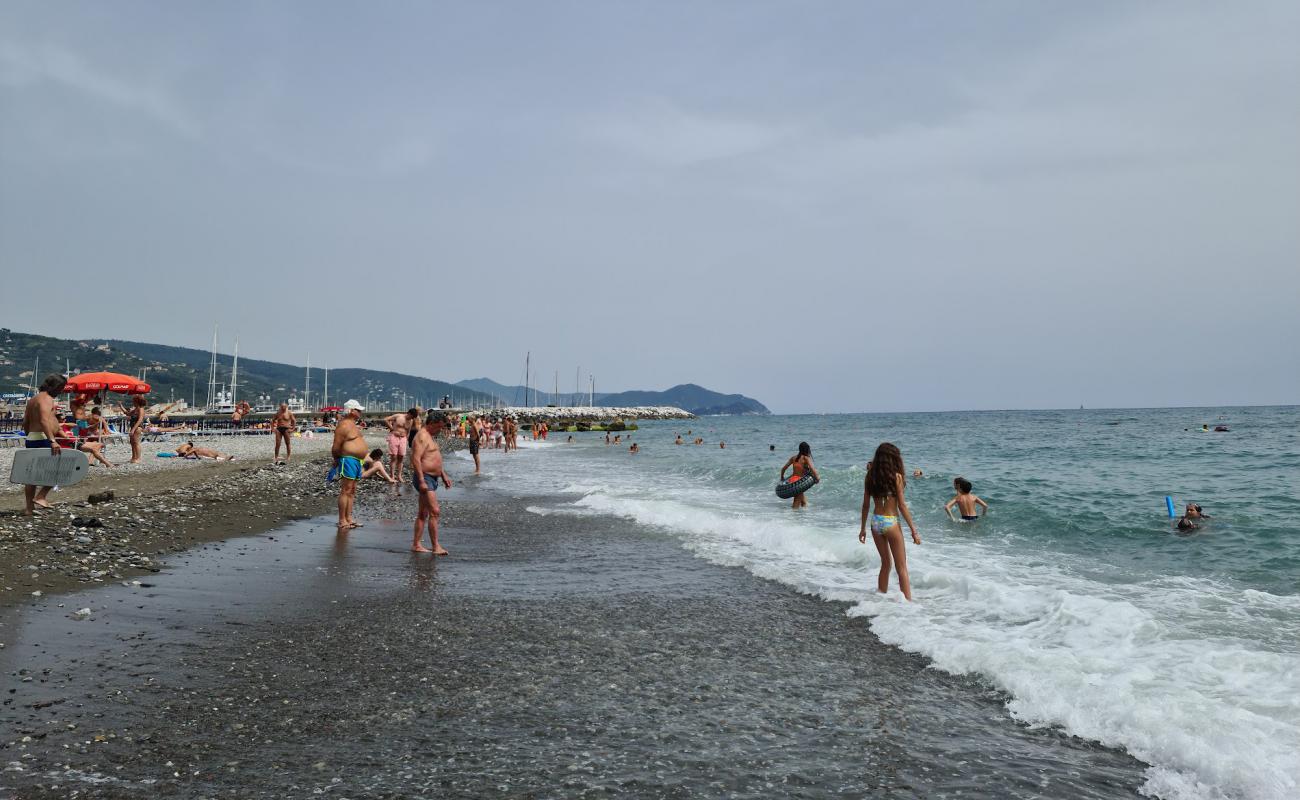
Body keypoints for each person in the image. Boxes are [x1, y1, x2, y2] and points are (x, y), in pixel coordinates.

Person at [859, 442, 922, 601]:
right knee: (902, 568)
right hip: (891, 522)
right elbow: (901, 505)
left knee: (886, 564)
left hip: (876, 522)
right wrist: (913, 530)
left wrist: (862, 529)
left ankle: (880, 598)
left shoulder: (870, 476)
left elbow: (865, 505)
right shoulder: (897, 477)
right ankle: (908, 605)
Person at [21, 374, 67, 515]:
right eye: (61, 388)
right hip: (43, 438)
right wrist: (52, 440)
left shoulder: (33, 399)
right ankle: (41, 496)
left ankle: (29, 508)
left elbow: (25, 423)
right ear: (55, 386)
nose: (61, 391)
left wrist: (31, 437)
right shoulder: (47, 399)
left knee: (32, 476)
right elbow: (43, 420)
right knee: (59, 468)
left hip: (32, 438)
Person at [410, 409, 452, 554]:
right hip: (425, 477)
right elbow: (415, 459)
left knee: (423, 513)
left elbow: (433, 458)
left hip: (432, 477)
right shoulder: (422, 436)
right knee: (435, 511)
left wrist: (443, 475)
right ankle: (436, 546)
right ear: (432, 423)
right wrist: (421, 481)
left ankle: (416, 544)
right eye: (439, 426)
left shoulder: (430, 436)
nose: (441, 429)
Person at [331, 400, 368, 529]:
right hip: (348, 459)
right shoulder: (344, 425)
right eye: (358, 410)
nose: (360, 412)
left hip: (357, 461)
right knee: (346, 490)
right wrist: (336, 459)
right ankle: (342, 520)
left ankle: (349, 518)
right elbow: (336, 445)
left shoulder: (353, 424)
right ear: (351, 411)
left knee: (352, 490)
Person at [779, 442, 821, 509]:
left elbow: (783, 469)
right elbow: (812, 469)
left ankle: (803, 516)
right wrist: (817, 478)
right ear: (807, 449)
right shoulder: (806, 458)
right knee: (796, 502)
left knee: (803, 502)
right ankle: (793, 517)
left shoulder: (793, 458)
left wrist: (782, 477)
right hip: (799, 482)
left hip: (792, 480)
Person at [384, 407, 418, 480]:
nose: (411, 418)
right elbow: (386, 419)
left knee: (401, 457)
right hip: (394, 436)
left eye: (413, 417)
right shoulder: (398, 416)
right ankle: (392, 475)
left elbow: (408, 431)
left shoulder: (411, 421)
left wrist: (407, 439)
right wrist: (391, 428)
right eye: (411, 416)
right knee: (394, 456)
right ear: (409, 413)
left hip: (403, 438)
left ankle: (399, 476)